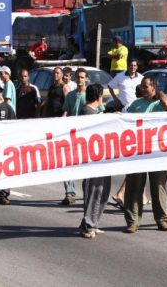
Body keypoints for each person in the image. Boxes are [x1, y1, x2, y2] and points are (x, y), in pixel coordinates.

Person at [124, 76, 167, 233]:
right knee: (134, 187)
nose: (142, 89)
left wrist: (160, 94)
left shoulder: (159, 104)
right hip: (137, 152)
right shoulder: (136, 105)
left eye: (146, 87)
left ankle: (162, 220)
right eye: (141, 87)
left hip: (157, 153)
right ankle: (133, 221)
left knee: (158, 187)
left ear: (153, 88)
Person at [60, 68, 104, 205]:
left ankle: (89, 195)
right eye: (78, 77)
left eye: (82, 77)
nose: (80, 79)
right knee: (68, 163)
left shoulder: (90, 95)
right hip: (72, 134)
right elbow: (66, 112)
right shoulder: (71, 95)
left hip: (87, 136)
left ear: (86, 79)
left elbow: (100, 110)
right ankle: (69, 193)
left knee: (86, 166)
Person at [78, 83, 111, 238]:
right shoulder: (87, 112)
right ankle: (89, 225)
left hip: (102, 158)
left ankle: (93, 222)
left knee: (103, 191)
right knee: (94, 191)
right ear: (99, 97)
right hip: (92, 160)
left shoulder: (97, 112)